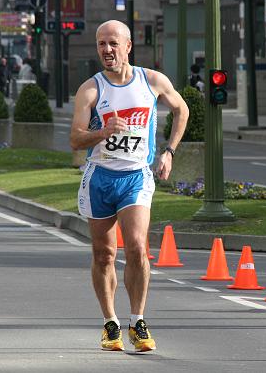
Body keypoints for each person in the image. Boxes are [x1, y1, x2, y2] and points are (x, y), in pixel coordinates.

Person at [70, 20, 188, 352]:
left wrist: (169, 152)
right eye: (101, 44)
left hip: (135, 176)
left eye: (112, 43)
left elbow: (182, 110)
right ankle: (110, 323)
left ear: (128, 45)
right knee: (104, 253)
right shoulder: (91, 90)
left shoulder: (152, 81)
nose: (106, 50)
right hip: (100, 178)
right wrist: (102, 132)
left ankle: (137, 320)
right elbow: (75, 139)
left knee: (136, 246)